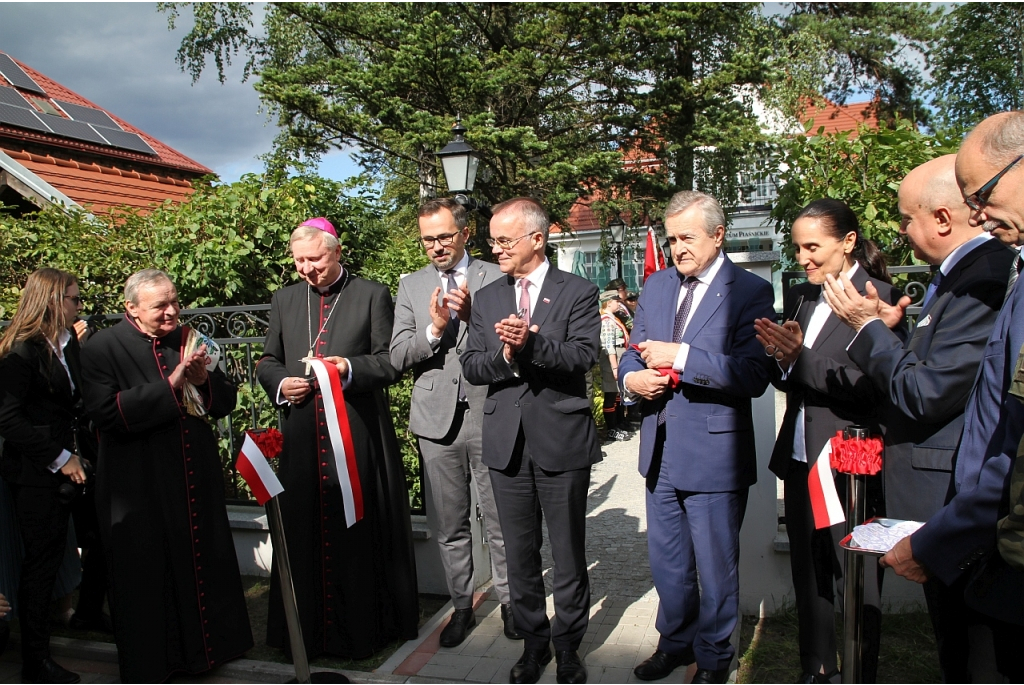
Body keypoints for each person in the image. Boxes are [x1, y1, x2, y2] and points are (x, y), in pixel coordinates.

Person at [823, 155, 1014, 682]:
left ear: (943, 219)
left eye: (906, 219)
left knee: (978, 659)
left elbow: (927, 393)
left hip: (960, 506)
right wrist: (895, 334)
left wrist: (868, 331)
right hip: (942, 505)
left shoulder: (986, 277)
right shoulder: (954, 278)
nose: (901, 231)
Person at [620, 191, 775, 684]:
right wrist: (632, 380)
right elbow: (632, 352)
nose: (677, 248)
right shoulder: (658, 285)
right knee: (669, 567)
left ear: (718, 235)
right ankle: (674, 643)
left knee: (715, 571)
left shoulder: (749, 291)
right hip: (659, 450)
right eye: (671, 239)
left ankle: (712, 660)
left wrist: (681, 357)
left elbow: (753, 375)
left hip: (714, 454)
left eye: (687, 237)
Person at [755, 199, 906, 683]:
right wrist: (783, 360)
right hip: (801, 459)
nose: (803, 258)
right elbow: (797, 380)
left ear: (847, 242)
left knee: (858, 580)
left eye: (813, 247)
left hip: (850, 465)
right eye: (797, 248)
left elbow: (871, 388)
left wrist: (801, 358)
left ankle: (860, 670)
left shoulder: (879, 298)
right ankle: (815, 669)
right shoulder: (801, 295)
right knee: (809, 573)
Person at [255, 217, 418, 660]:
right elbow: (268, 358)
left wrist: (347, 368)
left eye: (315, 260)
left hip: (356, 433)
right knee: (305, 529)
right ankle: (303, 635)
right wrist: (280, 383)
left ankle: (363, 633)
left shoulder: (370, 294)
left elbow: (390, 362)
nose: (307, 270)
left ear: (337, 251)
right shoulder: (286, 298)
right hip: (304, 437)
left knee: (356, 531)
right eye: (299, 261)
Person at [80, 269, 252, 683]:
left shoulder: (193, 339)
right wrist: (171, 384)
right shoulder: (102, 347)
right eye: (160, 306)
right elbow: (104, 413)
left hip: (195, 475)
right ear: (132, 309)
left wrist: (204, 381)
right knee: (146, 573)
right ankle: (156, 664)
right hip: (138, 481)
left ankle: (210, 652)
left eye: (175, 301)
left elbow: (226, 400)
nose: (172, 311)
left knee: (201, 562)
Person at [461, 197, 601, 685]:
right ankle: (533, 643)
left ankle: (567, 647)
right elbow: (473, 365)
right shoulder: (488, 297)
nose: (495, 248)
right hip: (506, 443)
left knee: (566, 552)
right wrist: (503, 354)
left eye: (504, 240)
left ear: (537, 239)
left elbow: (585, 356)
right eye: (493, 240)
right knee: (519, 555)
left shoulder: (578, 291)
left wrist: (532, 344)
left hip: (560, 437)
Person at [389, 198, 518, 646]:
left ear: (465, 233)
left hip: (491, 411)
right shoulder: (410, 286)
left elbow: (511, 341)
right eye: (428, 239)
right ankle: (461, 607)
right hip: (435, 421)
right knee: (450, 524)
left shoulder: (497, 275)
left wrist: (470, 317)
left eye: (445, 236)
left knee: (502, 519)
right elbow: (397, 355)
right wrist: (434, 329)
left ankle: (510, 603)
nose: (437, 246)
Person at [0, 268, 87, 684]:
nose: (79, 306)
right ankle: (36, 661)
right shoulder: (22, 351)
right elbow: (8, 419)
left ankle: (83, 619)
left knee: (65, 558)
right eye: (74, 299)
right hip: (35, 476)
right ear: (53, 301)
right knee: (40, 567)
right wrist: (59, 457)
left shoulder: (67, 345)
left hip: (70, 471)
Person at [599, 290, 630, 441]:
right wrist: (614, 367)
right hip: (612, 358)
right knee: (611, 393)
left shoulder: (613, 318)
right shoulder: (606, 320)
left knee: (617, 393)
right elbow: (609, 345)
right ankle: (611, 429)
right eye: (616, 301)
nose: (619, 303)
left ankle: (618, 423)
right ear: (609, 302)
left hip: (618, 356)